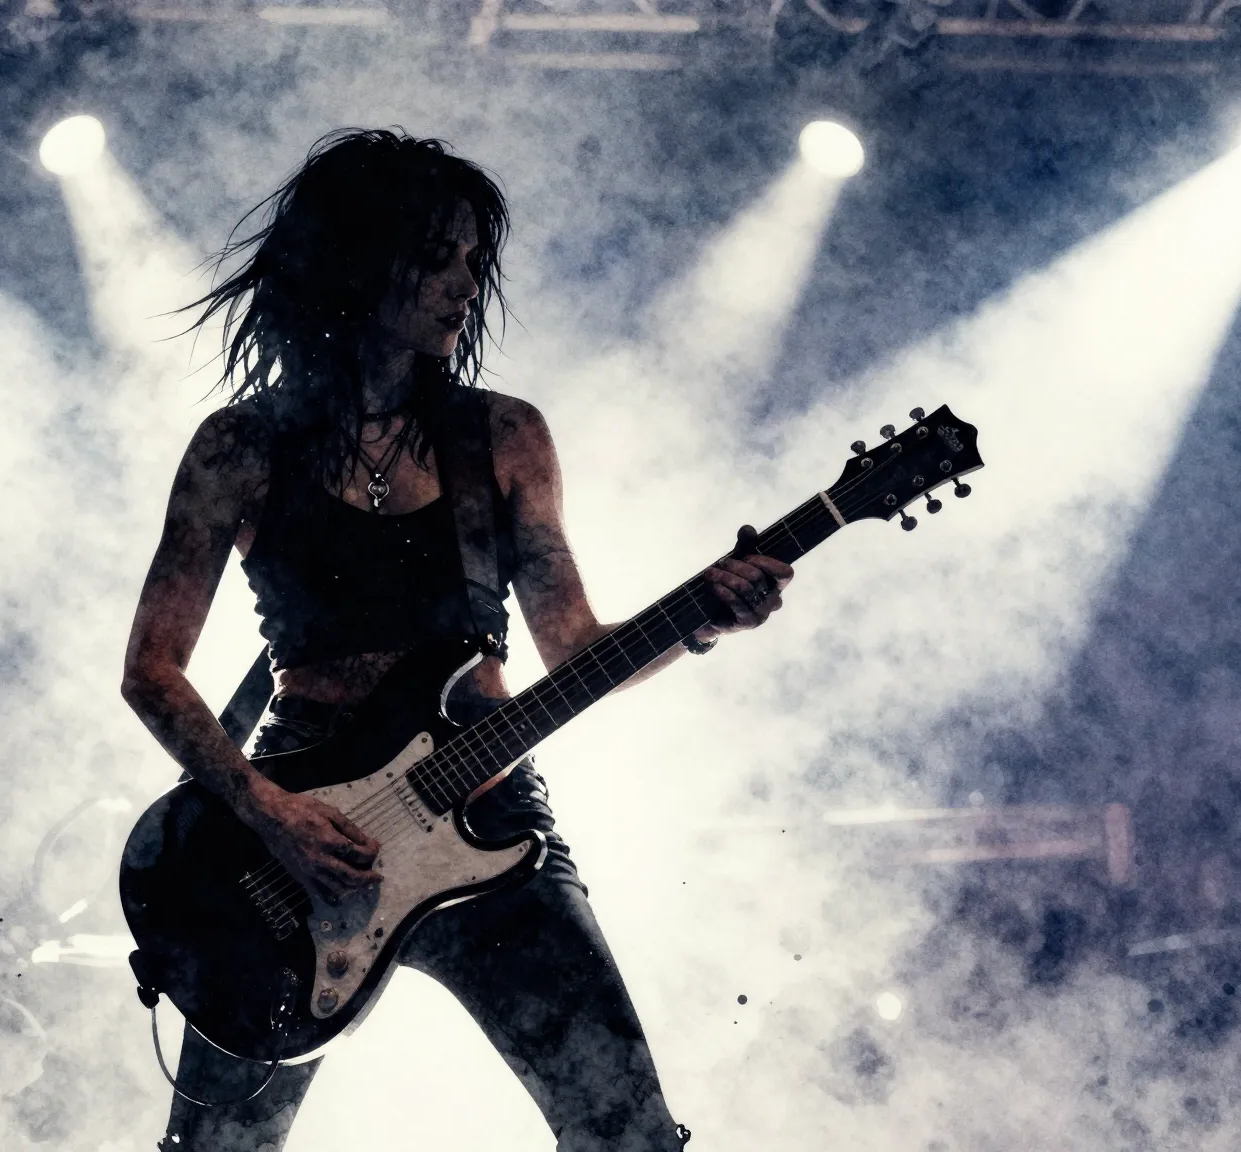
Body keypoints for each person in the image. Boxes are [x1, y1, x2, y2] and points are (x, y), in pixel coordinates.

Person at [120, 128, 792, 1151]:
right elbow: (151, 671)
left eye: (475, 261)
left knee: (628, 1137)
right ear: (359, 259)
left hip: (489, 814)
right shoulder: (240, 446)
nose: (465, 285)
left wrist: (702, 619)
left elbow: (576, 651)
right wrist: (267, 813)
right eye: (438, 257)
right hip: (297, 823)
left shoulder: (504, 436)